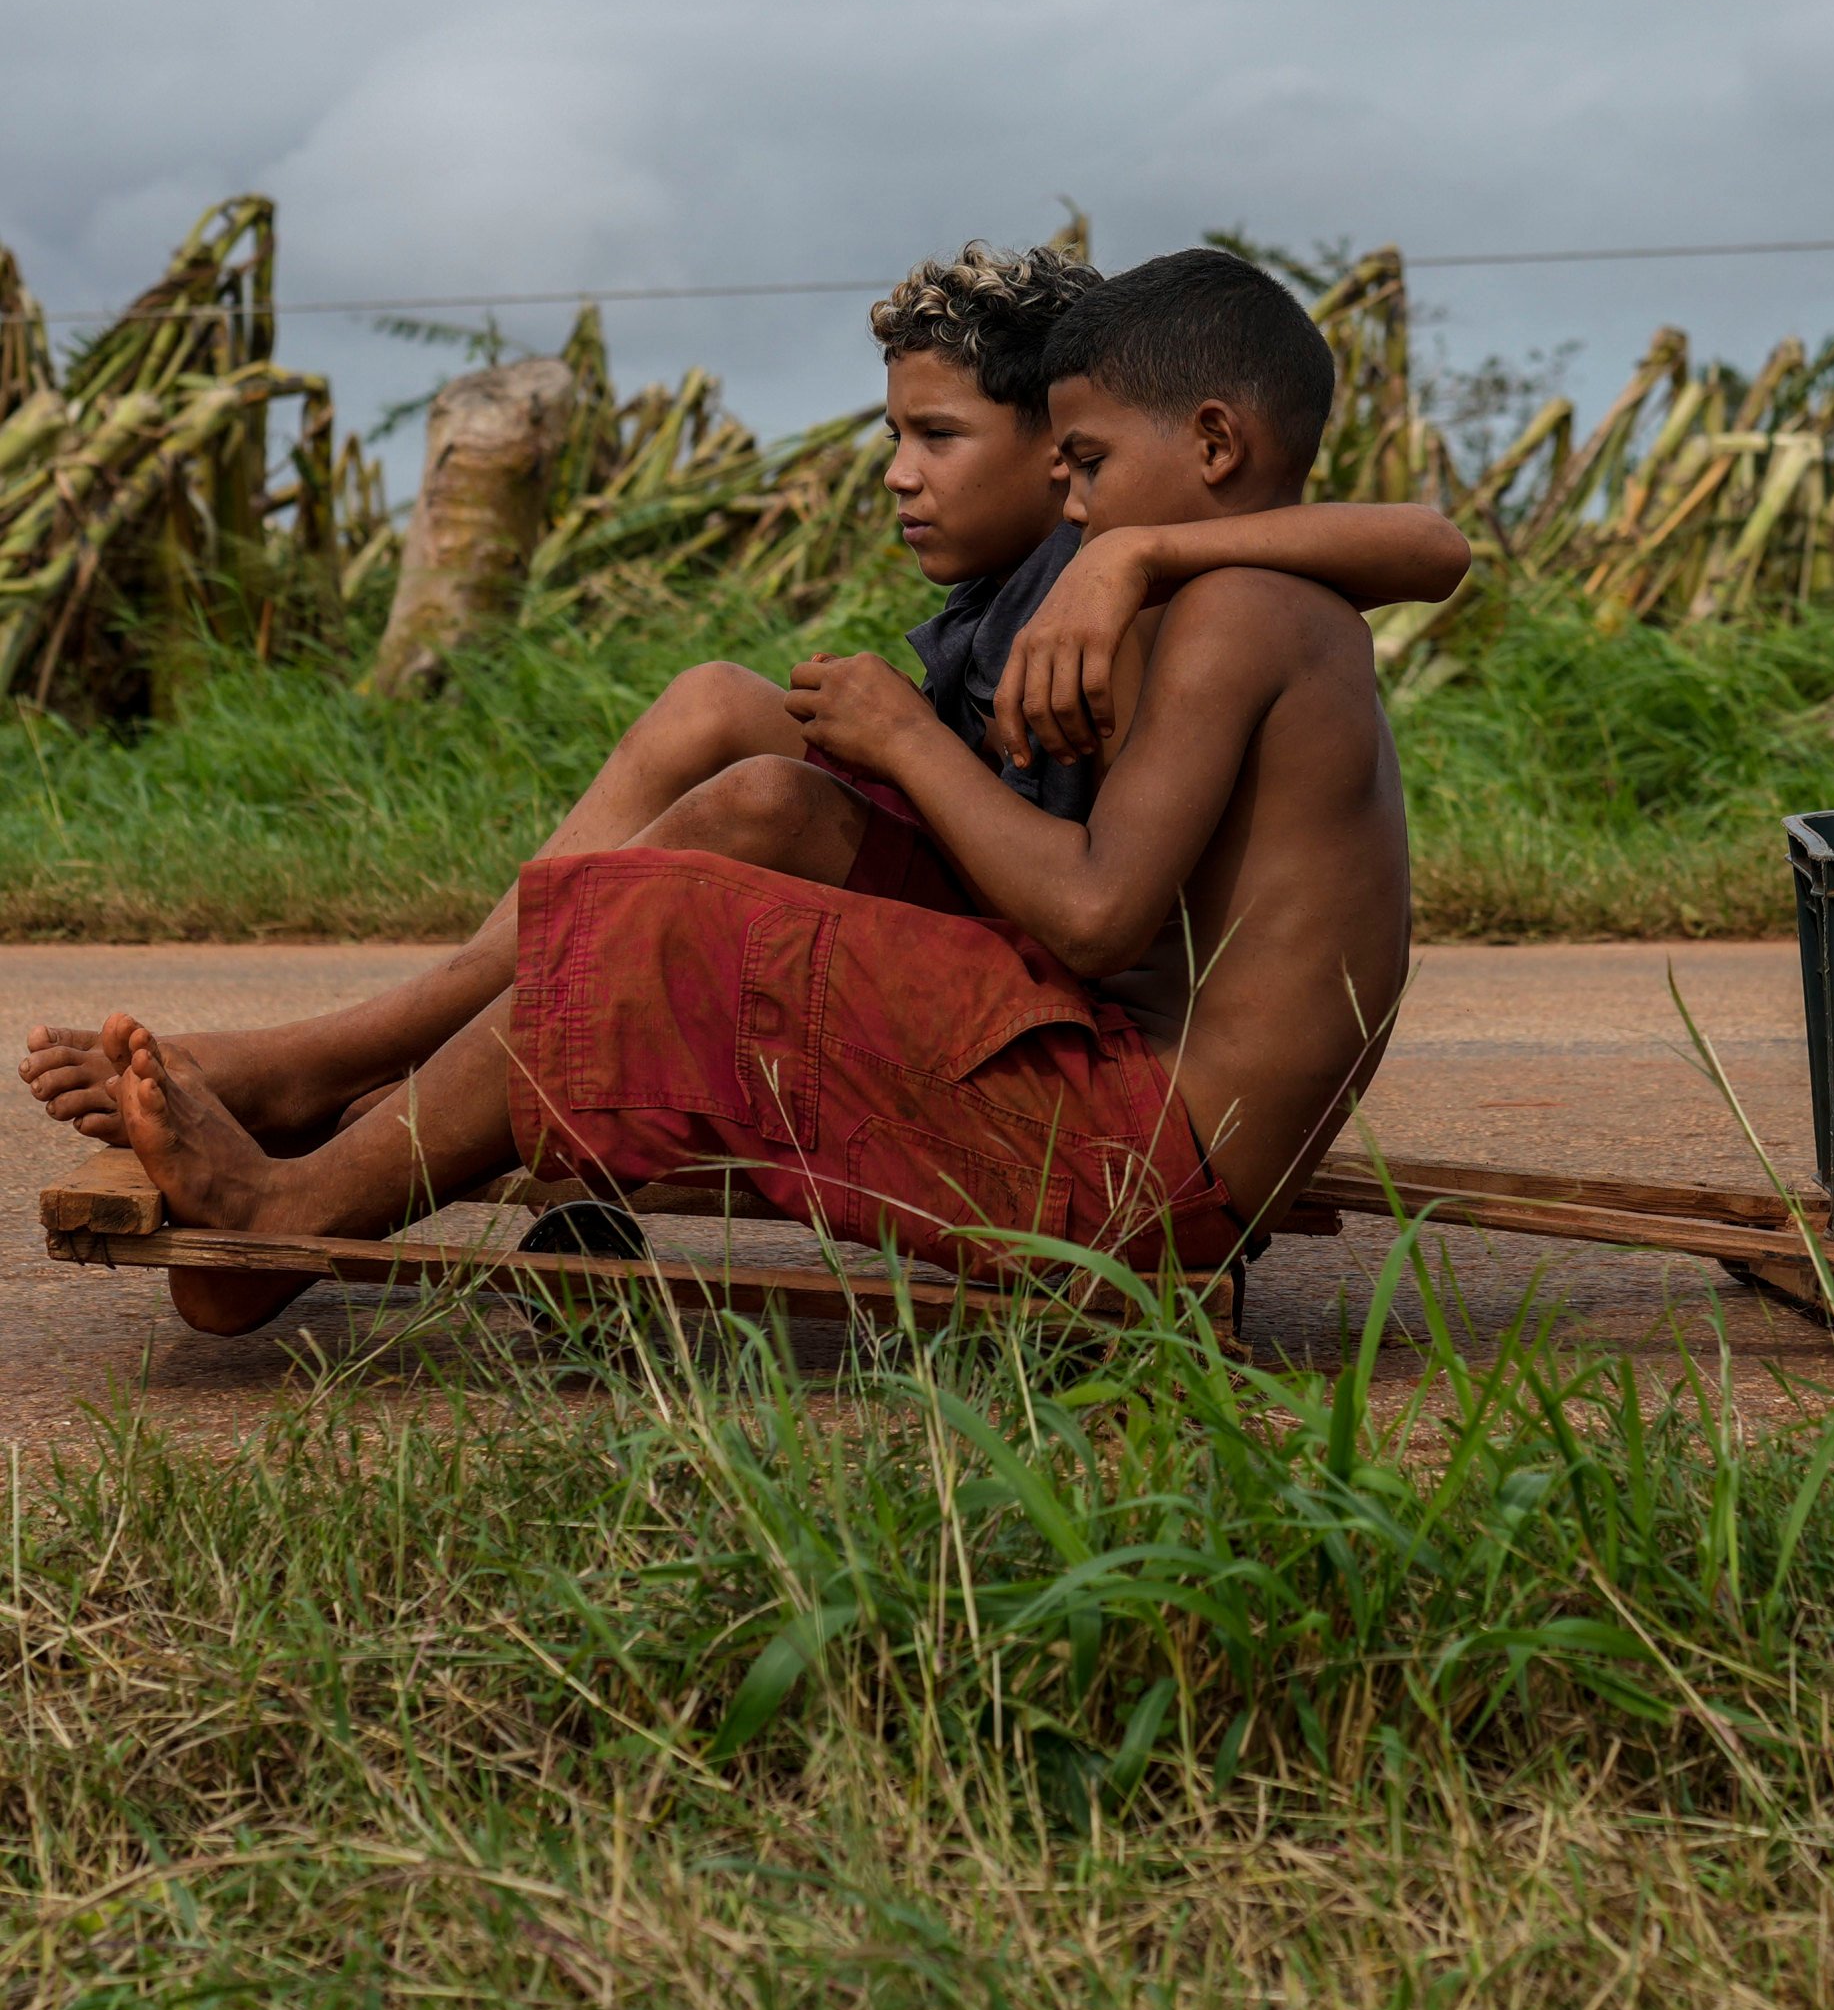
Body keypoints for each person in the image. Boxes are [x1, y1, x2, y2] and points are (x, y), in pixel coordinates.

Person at [75, 246, 1445, 1336]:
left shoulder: (1237, 616)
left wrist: (917, 735)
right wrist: (1129, 560)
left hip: (1141, 1176)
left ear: (1211, 441)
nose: (1077, 507)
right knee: (719, 842)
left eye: (1083, 466)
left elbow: (1091, 920)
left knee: (669, 923)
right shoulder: (1248, 595)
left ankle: (296, 1204)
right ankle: (347, 1123)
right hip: (1142, 1134)